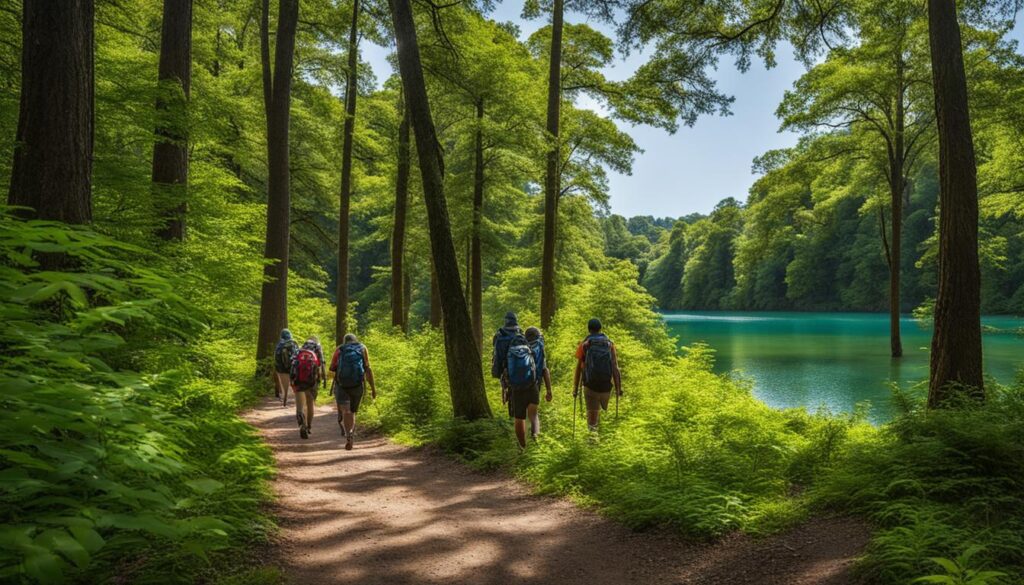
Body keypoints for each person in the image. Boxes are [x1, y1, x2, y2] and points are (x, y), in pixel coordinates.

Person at [329, 333, 377, 450]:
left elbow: (332, 368)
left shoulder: (339, 349)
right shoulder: (362, 348)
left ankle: (348, 434)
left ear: (344, 341)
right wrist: (373, 388)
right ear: (356, 340)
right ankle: (351, 431)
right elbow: (368, 369)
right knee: (353, 411)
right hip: (357, 385)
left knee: (346, 411)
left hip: (342, 385)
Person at [573, 318, 622, 432]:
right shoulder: (609, 344)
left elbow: (578, 369)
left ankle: (592, 444)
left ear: (589, 329)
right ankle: (603, 441)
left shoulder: (585, 345)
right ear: (601, 329)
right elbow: (615, 367)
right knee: (602, 416)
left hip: (590, 386)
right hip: (606, 386)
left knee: (592, 422)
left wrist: (575, 389)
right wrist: (619, 388)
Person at [517, 326, 551, 445]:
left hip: (518, 388)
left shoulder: (518, 349)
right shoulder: (538, 348)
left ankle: (522, 448)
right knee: (534, 415)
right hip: (533, 387)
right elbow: (545, 371)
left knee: (520, 418)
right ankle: (536, 439)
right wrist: (549, 390)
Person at [290, 336, 326, 439]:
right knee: (310, 403)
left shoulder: (299, 351)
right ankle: (308, 426)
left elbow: (292, 366)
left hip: (298, 380)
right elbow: (322, 366)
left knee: (300, 403)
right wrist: (323, 380)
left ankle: (301, 418)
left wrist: (292, 381)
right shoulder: (318, 349)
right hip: (312, 381)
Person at [490, 311, 522, 415]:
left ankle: (508, 397)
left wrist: (496, 372)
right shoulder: (520, 333)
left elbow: (497, 356)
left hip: (506, 370)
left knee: (508, 386)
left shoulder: (500, 334)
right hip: (520, 369)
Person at [273, 329, 299, 404]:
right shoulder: (293, 343)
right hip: (291, 367)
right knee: (291, 382)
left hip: (280, 368)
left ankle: (284, 397)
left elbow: (275, 357)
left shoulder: (279, 344)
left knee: (283, 383)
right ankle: (291, 397)